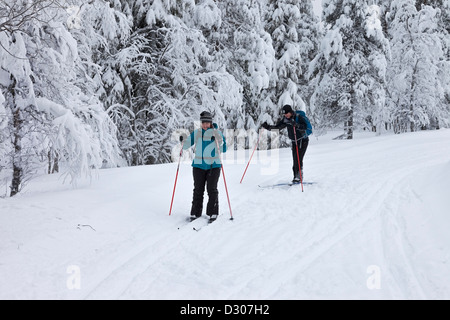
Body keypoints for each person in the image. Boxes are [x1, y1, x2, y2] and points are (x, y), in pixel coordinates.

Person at [182, 111, 227, 222]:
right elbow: (187, 144)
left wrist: (219, 140)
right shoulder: (197, 133)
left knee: (212, 189)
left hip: (214, 166)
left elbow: (224, 149)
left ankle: (213, 213)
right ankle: (195, 212)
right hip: (198, 166)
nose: (205, 125)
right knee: (198, 189)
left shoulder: (217, 133)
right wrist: (183, 141)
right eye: (203, 123)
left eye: (207, 123)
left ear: (211, 123)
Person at [261, 105, 312, 183]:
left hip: (302, 140)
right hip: (294, 141)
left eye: (287, 113)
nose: (286, 115)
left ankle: (298, 177)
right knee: (295, 159)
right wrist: (267, 127)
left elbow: (305, 127)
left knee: (298, 159)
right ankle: (296, 177)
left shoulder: (298, 117)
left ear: (290, 111)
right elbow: (277, 128)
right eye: (284, 114)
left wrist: (296, 125)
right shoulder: (286, 120)